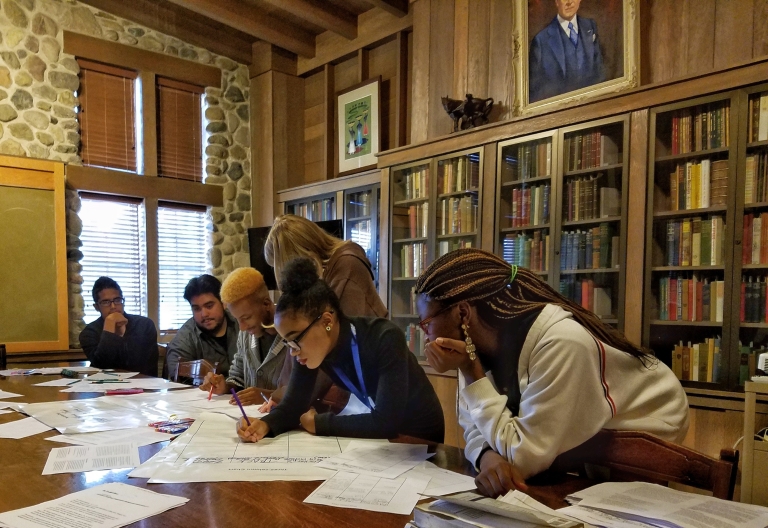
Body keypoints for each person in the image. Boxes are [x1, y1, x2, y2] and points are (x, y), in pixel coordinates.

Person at [414, 248, 689, 498]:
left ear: (463, 314)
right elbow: (474, 425)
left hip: (645, 423)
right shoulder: (471, 350)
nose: (425, 336)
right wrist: (489, 458)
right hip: (582, 448)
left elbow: (524, 457)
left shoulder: (560, 343)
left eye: (426, 324)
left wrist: (471, 372)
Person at [236, 257, 444, 443]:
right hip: (382, 442)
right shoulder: (314, 351)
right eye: (288, 344)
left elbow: (386, 422)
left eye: (295, 340)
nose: (293, 352)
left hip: (418, 439)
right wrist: (265, 425)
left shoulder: (385, 337)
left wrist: (320, 424)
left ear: (327, 321)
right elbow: (294, 405)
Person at [264, 214, 388, 411]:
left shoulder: (347, 266)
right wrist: (285, 396)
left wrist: (289, 401)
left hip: (371, 391)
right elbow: (303, 346)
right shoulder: (333, 268)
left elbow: (326, 344)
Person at [200, 267, 287, 406]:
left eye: (246, 317)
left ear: (266, 304)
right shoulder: (246, 334)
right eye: (237, 319)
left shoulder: (292, 334)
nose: (242, 327)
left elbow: (305, 390)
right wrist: (225, 386)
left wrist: (267, 395)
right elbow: (238, 377)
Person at [528, 0, 606, 103]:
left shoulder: (590, 27)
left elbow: (600, 73)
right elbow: (535, 92)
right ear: (556, 2)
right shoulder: (541, 41)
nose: (569, 2)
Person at [79, 277, 158, 377]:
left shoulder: (144, 325)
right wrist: (109, 329)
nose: (113, 306)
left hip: (143, 385)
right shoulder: (89, 333)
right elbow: (101, 366)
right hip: (105, 387)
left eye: (117, 300)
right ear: (96, 307)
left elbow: (149, 368)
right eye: (106, 302)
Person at [165, 275, 238, 379]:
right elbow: (175, 371)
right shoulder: (186, 335)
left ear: (223, 303)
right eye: (197, 309)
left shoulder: (240, 323)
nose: (204, 314)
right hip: (205, 393)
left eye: (209, 306)